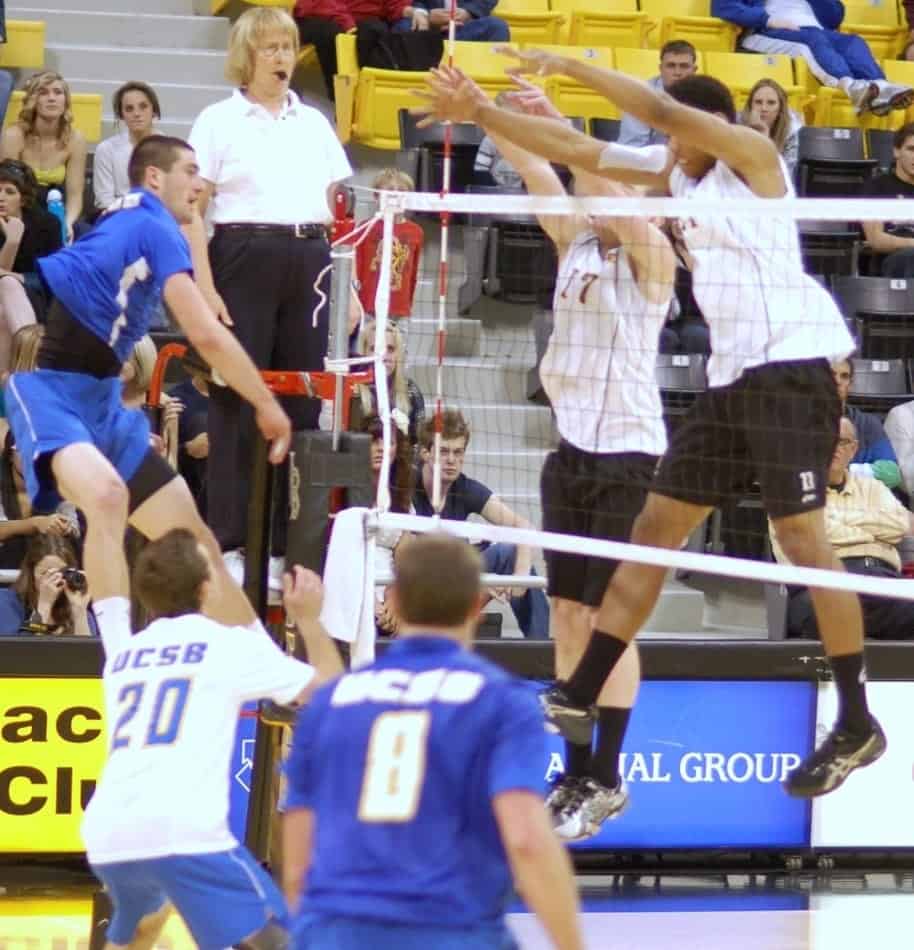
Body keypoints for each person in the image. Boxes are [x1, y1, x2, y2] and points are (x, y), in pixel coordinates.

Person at [415, 55, 882, 796]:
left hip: (794, 364)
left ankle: (857, 718)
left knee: (799, 540)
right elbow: (571, 155)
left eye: (675, 131)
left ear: (705, 127)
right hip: (729, 379)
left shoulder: (754, 161)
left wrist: (574, 66)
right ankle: (579, 690)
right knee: (655, 529)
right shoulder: (675, 177)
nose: (664, 148)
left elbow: (660, 119)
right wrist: (481, 114)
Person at [463, 74, 676, 837]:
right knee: (567, 613)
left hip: (628, 458)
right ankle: (577, 771)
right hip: (572, 453)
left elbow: (601, 182)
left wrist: (558, 118)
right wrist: (492, 110)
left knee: (612, 622)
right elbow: (533, 170)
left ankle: (608, 775)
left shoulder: (654, 254)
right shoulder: (576, 241)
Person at [3, 133, 292, 637]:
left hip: (105, 406)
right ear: (155, 176)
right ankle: (117, 656)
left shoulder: (135, 217)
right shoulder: (152, 222)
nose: (201, 185)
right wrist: (267, 405)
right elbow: (204, 334)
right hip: (52, 394)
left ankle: (266, 669)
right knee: (109, 498)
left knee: (196, 544)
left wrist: (201, 263)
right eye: (191, 171)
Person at [282, 532, 583, 950]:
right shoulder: (501, 701)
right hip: (451, 929)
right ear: (477, 606)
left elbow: (297, 862)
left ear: (394, 601)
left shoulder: (332, 701)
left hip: (334, 930)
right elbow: (527, 839)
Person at [81, 517, 343, 949]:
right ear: (205, 588)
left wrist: (100, 512)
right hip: (185, 832)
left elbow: (106, 579)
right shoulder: (225, 645)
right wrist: (310, 621)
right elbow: (333, 694)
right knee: (280, 938)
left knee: (139, 930)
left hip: (109, 832)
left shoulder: (123, 654)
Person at [187, 6, 352, 592]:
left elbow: (339, 213)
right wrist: (204, 287)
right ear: (248, 56)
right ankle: (231, 544)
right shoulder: (216, 120)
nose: (282, 58)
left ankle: (291, 551)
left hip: (310, 260)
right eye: (271, 48)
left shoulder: (315, 123)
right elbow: (191, 210)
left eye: (288, 47)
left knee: (304, 404)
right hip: (242, 255)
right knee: (235, 402)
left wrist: (348, 286)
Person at [772, 415, 914, 640]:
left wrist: (839, 519)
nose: (833, 448)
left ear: (853, 449)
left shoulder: (873, 488)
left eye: (843, 442)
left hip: (882, 581)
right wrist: (874, 527)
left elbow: (904, 524)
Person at [412, 409, 550, 640]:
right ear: (425, 453)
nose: (452, 460)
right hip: (419, 583)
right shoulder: (406, 487)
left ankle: (542, 656)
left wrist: (520, 577)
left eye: (458, 452)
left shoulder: (465, 488)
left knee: (512, 553)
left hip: (458, 576)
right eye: (444, 452)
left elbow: (522, 526)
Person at [712, 0, 913, 116]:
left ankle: (881, 90)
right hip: (766, 31)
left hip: (816, 31)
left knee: (854, 42)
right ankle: (852, 86)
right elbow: (724, 7)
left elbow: (835, 16)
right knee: (813, 40)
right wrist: (768, 19)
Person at [0, 71, 88, 240]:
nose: (51, 98)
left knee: (82, 232)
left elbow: (75, 195)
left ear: (66, 101)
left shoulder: (76, 140)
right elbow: (6, 189)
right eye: (43, 92)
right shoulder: (14, 135)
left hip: (56, 210)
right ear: (33, 100)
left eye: (58, 92)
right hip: (20, 210)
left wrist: (68, 222)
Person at [0, 158, 62, 368]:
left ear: (24, 198)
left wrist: (21, 278)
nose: (1, 198)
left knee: (6, 291)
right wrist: (12, 241)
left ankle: (25, 364)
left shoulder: (46, 225)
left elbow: (55, 278)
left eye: (9, 192)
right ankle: (31, 363)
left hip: (36, 299)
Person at [355, 168, 423, 322]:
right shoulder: (365, 227)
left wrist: (407, 305)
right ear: (376, 196)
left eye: (401, 191)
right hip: (368, 307)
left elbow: (412, 273)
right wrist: (356, 302)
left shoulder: (416, 232)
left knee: (397, 345)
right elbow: (357, 268)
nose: (396, 195)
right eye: (390, 190)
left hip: (398, 309)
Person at [0, 532, 95, 636]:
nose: (54, 580)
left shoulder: (77, 607)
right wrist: (44, 606)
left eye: (60, 573)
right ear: (31, 573)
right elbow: (20, 650)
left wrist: (79, 611)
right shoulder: (7, 602)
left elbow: (87, 651)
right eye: (45, 573)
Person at [832, 357, 901, 490]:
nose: (837, 381)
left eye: (844, 376)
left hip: (863, 502)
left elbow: (892, 474)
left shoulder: (868, 424)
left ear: (850, 385)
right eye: (830, 374)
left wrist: (840, 469)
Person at [94, 81, 162, 213]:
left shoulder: (169, 148)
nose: (137, 114)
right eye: (129, 109)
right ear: (121, 115)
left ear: (153, 110)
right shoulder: (106, 150)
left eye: (143, 107)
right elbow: (105, 201)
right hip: (119, 218)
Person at [354, 320, 425, 444]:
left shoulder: (411, 391)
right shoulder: (353, 391)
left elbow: (418, 446)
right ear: (363, 353)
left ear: (398, 355)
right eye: (375, 349)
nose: (384, 356)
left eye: (390, 349)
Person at [617, 40, 697, 148]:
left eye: (684, 66)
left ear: (694, 70)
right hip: (650, 162)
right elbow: (632, 149)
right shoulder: (640, 96)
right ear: (661, 69)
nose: (677, 72)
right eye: (671, 66)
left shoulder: (706, 95)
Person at [861, 122, 914, 278]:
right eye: (911, 149)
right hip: (892, 263)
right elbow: (876, 240)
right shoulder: (876, 187)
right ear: (896, 151)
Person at [740, 78, 803, 173]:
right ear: (750, 106)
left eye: (771, 103)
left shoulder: (792, 131)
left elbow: (785, 177)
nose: (764, 108)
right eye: (758, 102)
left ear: (781, 108)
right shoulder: (739, 125)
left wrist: (764, 135)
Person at [393, 0, 509, 42]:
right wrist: (427, 15)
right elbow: (406, 3)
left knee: (497, 27)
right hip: (426, 27)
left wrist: (468, 12)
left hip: (465, 27)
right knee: (403, 28)